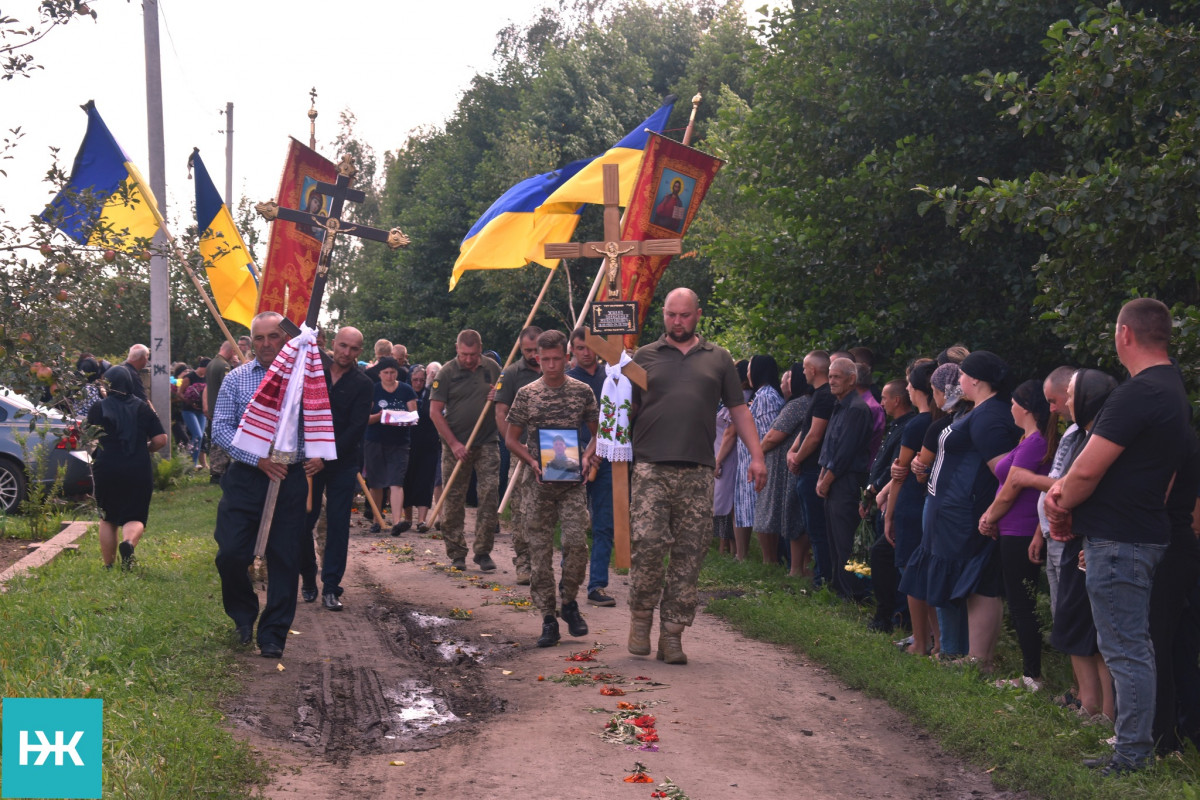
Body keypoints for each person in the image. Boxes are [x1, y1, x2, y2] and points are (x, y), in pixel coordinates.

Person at [1046, 298, 1192, 777]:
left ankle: (1132, 755)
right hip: (1142, 533)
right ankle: (1134, 749)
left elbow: (1086, 471)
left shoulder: (1138, 393)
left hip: (1121, 539)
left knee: (1126, 650)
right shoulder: (1173, 389)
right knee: (1135, 648)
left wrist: (1059, 502)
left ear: (1125, 334)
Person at [627, 288, 766, 665]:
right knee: (648, 544)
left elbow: (739, 409)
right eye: (671, 315)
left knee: (690, 553)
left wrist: (756, 456)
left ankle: (671, 634)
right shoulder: (645, 357)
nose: (677, 322)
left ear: (698, 315)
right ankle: (641, 620)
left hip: (698, 471)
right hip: (650, 466)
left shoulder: (719, 359)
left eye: (684, 315)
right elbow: (624, 409)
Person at [212, 311, 325, 658]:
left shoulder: (305, 380)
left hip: (289, 477)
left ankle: (274, 633)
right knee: (231, 554)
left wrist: (316, 452)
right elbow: (220, 428)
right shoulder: (236, 380)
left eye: (273, 337)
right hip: (246, 477)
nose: (265, 345)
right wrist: (256, 457)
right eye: (258, 338)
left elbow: (318, 421)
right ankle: (243, 617)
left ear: (286, 339)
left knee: (285, 557)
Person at [505, 330, 598, 647]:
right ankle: (547, 618)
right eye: (544, 359)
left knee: (576, 544)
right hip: (538, 485)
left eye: (557, 358)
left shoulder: (582, 392)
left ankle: (569, 602)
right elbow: (511, 439)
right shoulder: (527, 394)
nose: (551, 365)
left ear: (567, 356)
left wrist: (587, 456)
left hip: (572, 483)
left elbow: (599, 433)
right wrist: (531, 461)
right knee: (539, 554)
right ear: (537, 358)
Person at [978, 380, 1058, 691]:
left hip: (1021, 530)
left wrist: (989, 516)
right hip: (1011, 528)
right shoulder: (1026, 440)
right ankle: (1030, 672)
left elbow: (1012, 489)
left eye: (1012, 401)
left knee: (1022, 603)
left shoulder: (1037, 443)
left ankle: (1032, 675)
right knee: (1017, 601)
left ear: (1024, 407)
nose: (1009, 407)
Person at [298, 326, 373, 611]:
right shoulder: (314, 372)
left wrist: (325, 458)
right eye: (343, 346)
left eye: (353, 349)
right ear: (333, 344)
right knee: (303, 521)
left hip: (341, 462)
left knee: (338, 524)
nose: (346, 353)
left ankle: (331, 586)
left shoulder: (363, 383)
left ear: (360, 352)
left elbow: (356, 428)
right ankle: (307, 575)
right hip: (308, 461)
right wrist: (311, 455)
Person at [430, 329, 502, 572]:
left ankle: (482, 551)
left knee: (490, 494)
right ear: (456, 349)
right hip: (455, 445)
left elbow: (505, 401)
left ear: (480, 349)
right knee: (453, 499)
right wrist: (454, 444)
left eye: (473, 354)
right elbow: (434, 412)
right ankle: (456, 552)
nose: (469, 359)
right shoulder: (447, 372)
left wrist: (498, 395)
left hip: (487, 441)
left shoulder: (492, 368)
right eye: (464, 354)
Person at [88, 366, 167, 569]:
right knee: (136, 515)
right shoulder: (142, 407)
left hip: (106, 467)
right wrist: (147, 448)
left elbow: (88, 438)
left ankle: (108, 565)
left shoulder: (98, 407)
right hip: (137, 467)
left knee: (107, 518)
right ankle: (128, 542)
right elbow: (161, 439)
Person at [816, 357, 875, 599]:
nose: (831, 381)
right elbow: (829, 448)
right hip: (833, 480)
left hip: (847, 482)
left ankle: (853, 595)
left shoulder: (857, 409)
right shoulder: (839, 405)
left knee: (847, 541)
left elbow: (845, 453)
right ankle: (839, 589)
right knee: (834, 540)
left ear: (852, 379)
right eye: (830, 376)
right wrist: (822, 476)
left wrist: (826, 479)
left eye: (837, 377)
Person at [568, 327, 617, 607]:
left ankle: (597, 583)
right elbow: (562, 424)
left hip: (607, 456)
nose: (586, 353)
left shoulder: (611, 376)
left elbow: (619, 413)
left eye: (589, 347)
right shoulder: (566, 380)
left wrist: (598, 450)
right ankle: (568, 582)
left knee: (603, 522)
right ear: (572, 350)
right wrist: (585, 452)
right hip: (573, 457)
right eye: (579, 348)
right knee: (574, 523)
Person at [864, 378, 916, 631]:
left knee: (889, 556)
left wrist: (877, 489)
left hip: (896, 498)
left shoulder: (910, 427)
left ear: (897, 400)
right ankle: (891, 614)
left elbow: (896, 467)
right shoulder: (895, 425)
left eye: (884, 397)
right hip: (882, 494)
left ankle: (895, 616)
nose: (881, 402)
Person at [494, 326, 543, 584]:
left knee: (546, 511)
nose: (533, 355)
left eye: (537, 350)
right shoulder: (512, 373)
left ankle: (543, 563)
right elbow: (500, 413)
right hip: (522, 452)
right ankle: (523, 563)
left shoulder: (556, 368)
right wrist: (513, 445)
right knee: (522, 511)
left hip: (553, 452)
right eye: (528, 350)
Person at [786, 350, 835, 587]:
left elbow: (815, 435)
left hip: (814, 469)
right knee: (811, 526)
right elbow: (806, 430)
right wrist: (793, 451)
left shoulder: (825, 396)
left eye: (805, 367)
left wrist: (797, 458)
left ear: (813, 369)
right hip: (807, 468)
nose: (803, 371)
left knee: (817, 530)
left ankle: (822, 580)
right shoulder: (817, 395)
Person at [759, 363, 812, 575]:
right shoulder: (798, 403)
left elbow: (774, 435)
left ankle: (794, 568)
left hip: (788, 469)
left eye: (789, 378)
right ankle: (797, 567)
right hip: (789, 467)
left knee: (792, 517)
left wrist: (756, 453)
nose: (784, 381)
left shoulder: (798, 404)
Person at [363, 356, 418, 537]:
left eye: (392, 372)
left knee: (396, 481)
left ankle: (396, 521)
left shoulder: (406, 390)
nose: (389, 376)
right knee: (376, 482)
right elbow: (365, 419)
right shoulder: (372, 390)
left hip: (400, 441)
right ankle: (377, 520)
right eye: (385, 372)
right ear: (379, 374)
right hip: (375, 440)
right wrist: (381, 416)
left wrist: (399, 417)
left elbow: (414, 415)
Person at [403, 365, 439, 532]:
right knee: (407, 480)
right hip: (408, 443)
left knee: (425, 481)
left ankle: (422, 520)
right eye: (415, 380)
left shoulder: (431, 394)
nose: (418, 383)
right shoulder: (404, 393)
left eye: (421, 380)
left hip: (428, 444)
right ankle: (407, 518)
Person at [204, 340, 239, 484]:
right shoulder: (224, 366)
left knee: (215, 440)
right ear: (231, 352)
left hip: (213, 407)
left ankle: (216, 471)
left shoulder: (211, 363)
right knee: (221, 443)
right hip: (222, 408)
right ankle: (218, 472)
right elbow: (228, 387)